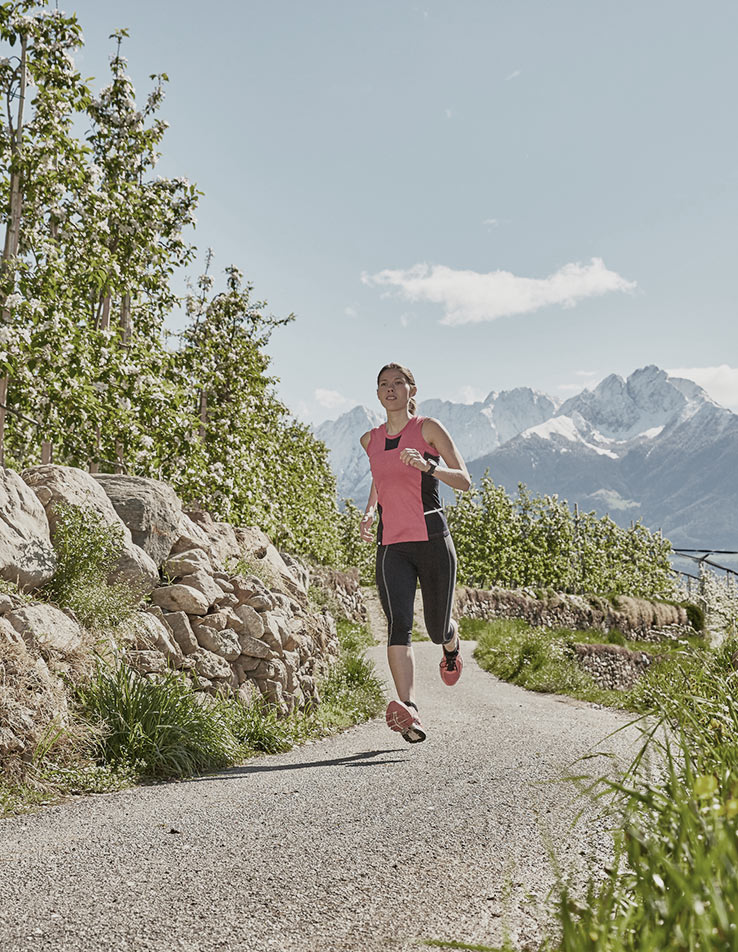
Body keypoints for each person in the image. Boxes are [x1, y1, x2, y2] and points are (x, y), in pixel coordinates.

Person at [360, 362, 471, 743]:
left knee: (435, 624)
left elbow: (466, 481)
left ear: (412, 390)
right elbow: (381, 475)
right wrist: (370, 509)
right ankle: (409, 709)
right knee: (398, 624)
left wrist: (429, 466)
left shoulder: (428, 428)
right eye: (383, 384)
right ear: (377, 394)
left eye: (398, 383)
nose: (390, 389)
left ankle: (450, 642)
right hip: (392, 545)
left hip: (433, 540)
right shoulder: (369, 440)